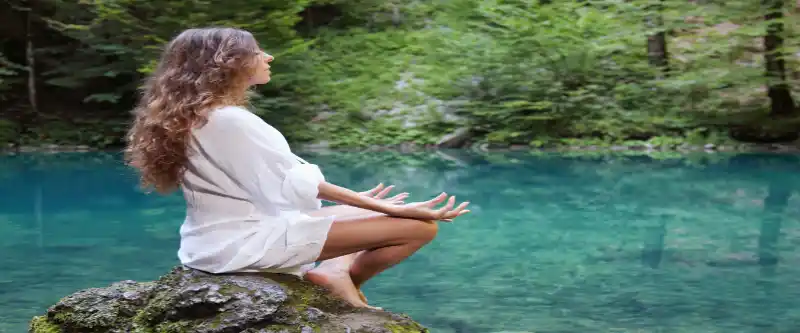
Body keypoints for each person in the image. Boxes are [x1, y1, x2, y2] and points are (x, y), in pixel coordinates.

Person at [123, 27, 470, 309]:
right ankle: (340, 277)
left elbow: (281, 185)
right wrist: (384, 206)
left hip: (217, 240)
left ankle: (334, 272)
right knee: (420, 227)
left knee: (369, 216)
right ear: (229, 63)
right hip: (245, 244)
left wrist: (356, 204)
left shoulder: (196, 116)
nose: (268, 57)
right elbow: (299, 184)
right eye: (258, 51)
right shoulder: (229, 120)